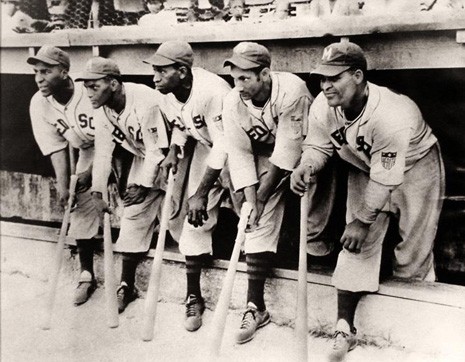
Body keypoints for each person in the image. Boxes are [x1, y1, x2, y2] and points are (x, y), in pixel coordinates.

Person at [291, 41, 445, 361]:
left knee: (412, 251)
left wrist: (362, 219)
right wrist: (306, 165)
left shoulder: (390, 113)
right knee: (354, 246)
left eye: (334, 78)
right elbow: (319, 146)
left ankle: (410, 333)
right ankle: (345, 327)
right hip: (365, 165)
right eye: (322, 78)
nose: (326, 85)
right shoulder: (324, 105)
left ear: (358, 76)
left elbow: (387, 176)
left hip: (416, 166)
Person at [222, 42, 335, 344]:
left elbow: (288, 151)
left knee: (314, 219)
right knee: (254, 219)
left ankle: (325, 288)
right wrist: (251, 200)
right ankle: (254, 306)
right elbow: (239, 153)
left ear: (264, 73)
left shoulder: (292, 90)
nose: (238, 85)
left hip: (310, 150)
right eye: (235, 77)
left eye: (245, 77)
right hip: (265, 154)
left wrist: (260, 196)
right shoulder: (233, 100)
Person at [143, 41, 239, 332]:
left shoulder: (212, 90)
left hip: (241, 151)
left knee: (251, 217)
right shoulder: (168, 93)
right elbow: (182, 124)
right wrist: (175, 147)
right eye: (155, 70)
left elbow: (226, 143)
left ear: (182, 71)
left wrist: (201, 191)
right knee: (192, 219)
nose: (154, 77)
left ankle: (252, 303)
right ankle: (193, 295)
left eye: (162, 70)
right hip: (210, 149)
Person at [75, 57, 169, 313]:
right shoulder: (102, 107)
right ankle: (126, 284)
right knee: (132, 214)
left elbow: (157, 149)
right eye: (86, 86)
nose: (89, 92)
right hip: (146, 155)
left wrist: (143, 183)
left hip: (176, 154)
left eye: (94, 86)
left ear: (114, 84)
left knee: (180, 219)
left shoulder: (144, 100)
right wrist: (97, 190)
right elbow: (103, 151)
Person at [28, 46, 100, 306]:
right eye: (36, 72)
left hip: (121, 146)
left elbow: (112, 138)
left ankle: (126, 279)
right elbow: (56, 147)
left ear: (65, 72)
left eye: (46, 71)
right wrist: (64, 185)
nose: (39, 78)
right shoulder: (39, 103)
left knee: (135, 197)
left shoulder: (88, 89)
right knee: (77, 197)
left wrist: (95, 173)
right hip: (88, 149)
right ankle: (86, 273)